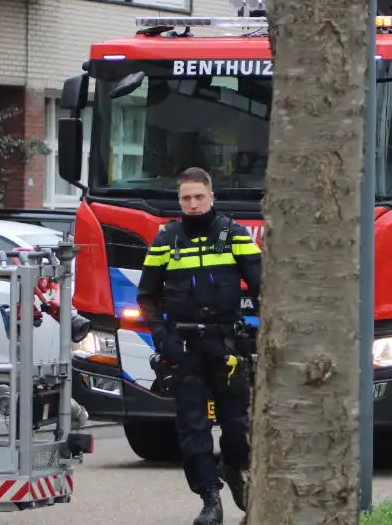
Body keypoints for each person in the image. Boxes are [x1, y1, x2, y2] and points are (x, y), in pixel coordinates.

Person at [137, 167, 262, 525]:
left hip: (226, 347)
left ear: (211, 196)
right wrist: (163, 338)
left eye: (199, 197)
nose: (193, 204)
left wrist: (262, 337)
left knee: (238, 426)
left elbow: (263, 287)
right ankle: (210, 500)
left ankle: (234, 468)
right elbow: (147, 296)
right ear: (179, 201)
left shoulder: (234, 235)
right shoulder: (166, 240)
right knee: (193, 429)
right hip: (184, 348)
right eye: (186, 198)